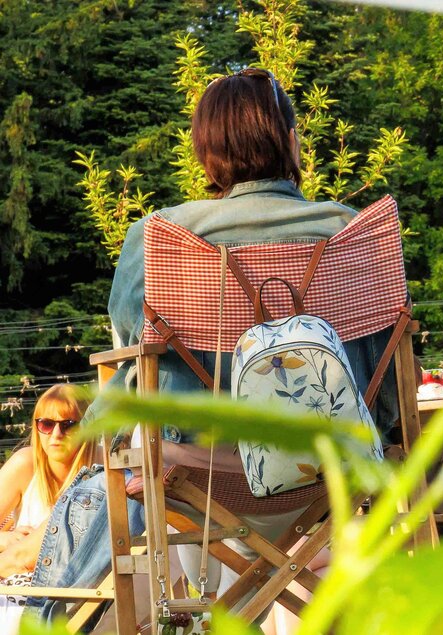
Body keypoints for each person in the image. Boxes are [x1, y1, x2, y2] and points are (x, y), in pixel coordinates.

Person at [22, 68, 400, 628]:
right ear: (293, 142)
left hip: (194, 476)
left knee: (123, 434)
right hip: (336, 471)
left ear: (205, 155)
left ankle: (56, 616)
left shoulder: (162, 238)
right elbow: (387, 375)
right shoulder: (356, 232)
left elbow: (130, 354)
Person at [0, 385, 96, 634]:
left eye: (68, 424)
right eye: (46, 424)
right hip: (17, 590)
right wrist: (6, 537)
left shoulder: (99, 474)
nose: (56, 434)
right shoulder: (26, 464)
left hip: (75, 590)